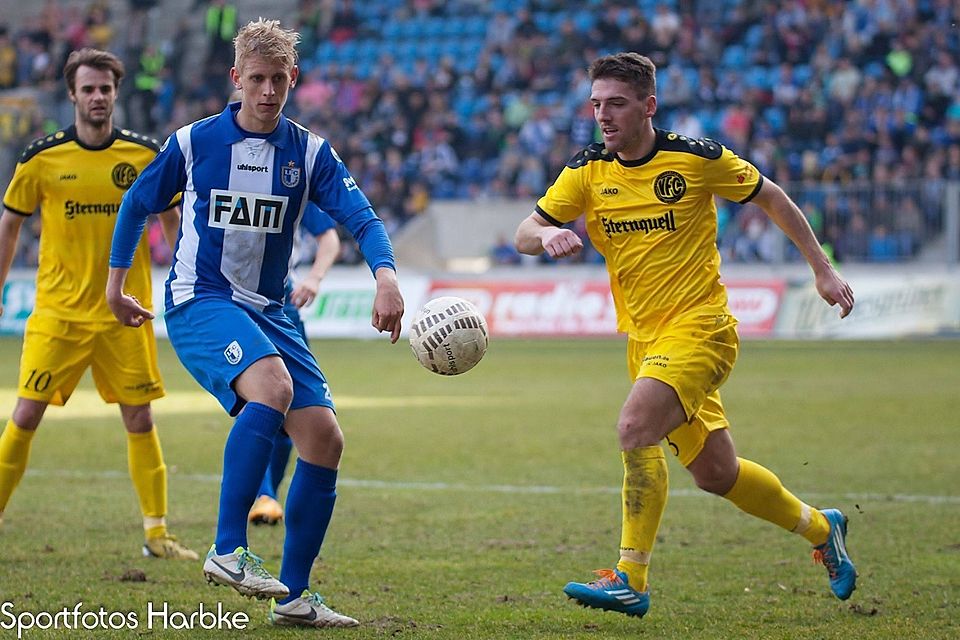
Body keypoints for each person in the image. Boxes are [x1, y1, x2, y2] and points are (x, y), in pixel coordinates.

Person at [515, 52, 857, 619]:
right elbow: (527, 229)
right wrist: (545, 237)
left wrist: (822, 270)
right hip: (646, 343)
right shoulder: (586, 169)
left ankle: (630, 576)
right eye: (596, 103)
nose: (603, 115)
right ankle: (824, 528)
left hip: (701, 328)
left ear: (648, 106)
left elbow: (771, 195)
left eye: (617, 104)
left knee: (633, 426)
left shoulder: (695, 159)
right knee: (718, 474)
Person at [107, 19, 403, 628]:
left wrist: (386, 274)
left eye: (279, 80)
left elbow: (362, 217)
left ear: (293, 80)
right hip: (202, 298)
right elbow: (138, 201)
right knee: (272, 387)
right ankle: (226, 548)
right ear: (236, 78)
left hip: (271, 310)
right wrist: (116, 284)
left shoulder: (310, 152)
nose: (268, 92)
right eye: (257, 80)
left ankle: (294, 597)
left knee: (324, 440)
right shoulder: (193, 143)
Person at [0, 48, 197, 561]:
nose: (97, 97)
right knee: (24, 415)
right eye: (87, 89)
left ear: (116, 92)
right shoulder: (41, 158)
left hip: (124, 314)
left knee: (140, 420)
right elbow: (10, 223)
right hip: (58, 315)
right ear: (71, 94)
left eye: (105, 88)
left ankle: (157, 534)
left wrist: (184, 277)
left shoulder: (144, 155)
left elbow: (175, 218)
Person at [248, 203, 341, 526]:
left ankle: (268, 494)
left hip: (283, 304)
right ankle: (261, 495)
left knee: (295, 407)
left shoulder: (295, 178)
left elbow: (329, 237)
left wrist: (314, 278)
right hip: (236, 304)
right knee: (260, 404)